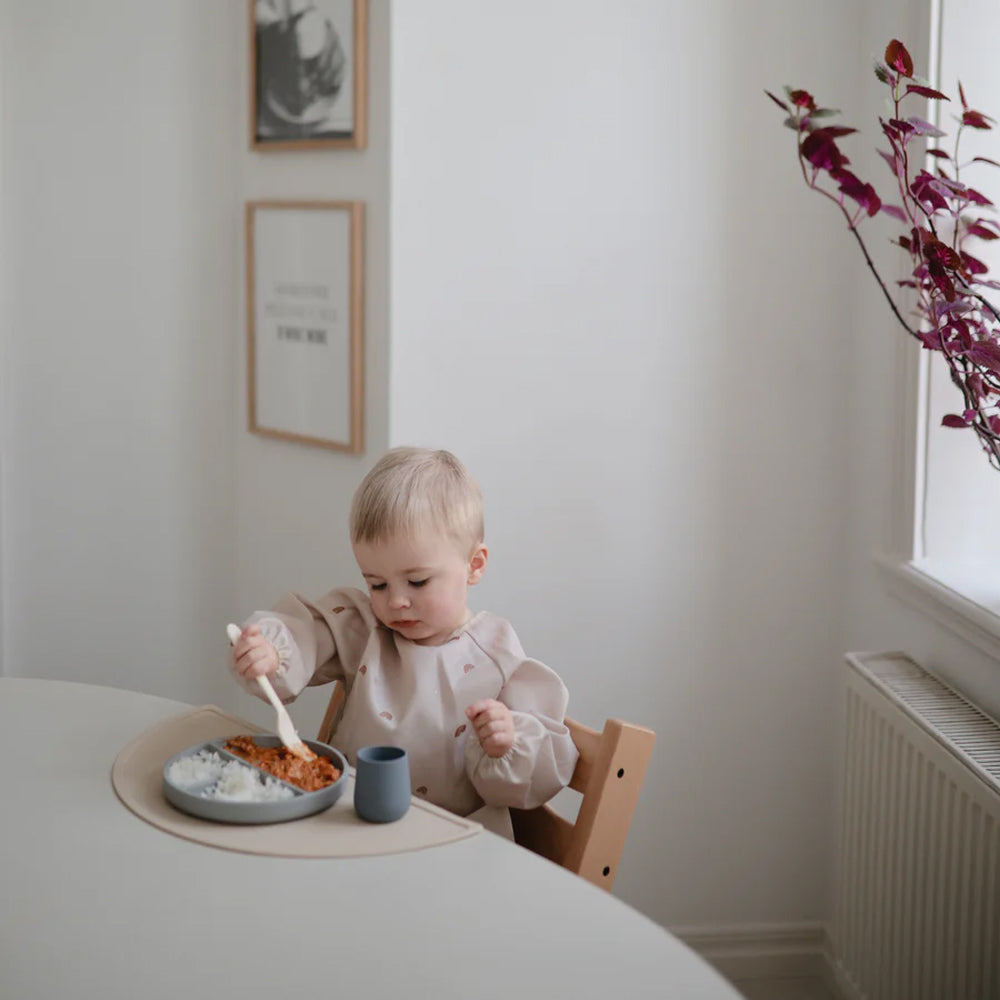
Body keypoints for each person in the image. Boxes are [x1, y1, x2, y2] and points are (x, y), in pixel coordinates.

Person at [228, 446, 578, 826]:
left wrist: (505, 743)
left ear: (473, 565)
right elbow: (312, 632)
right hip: (348, 822)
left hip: (447, 842)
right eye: (377, 584)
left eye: (417, 581)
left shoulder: (495, 654)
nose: (395, 601)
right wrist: (274, 653)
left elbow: (531, 777)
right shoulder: (366, 628)